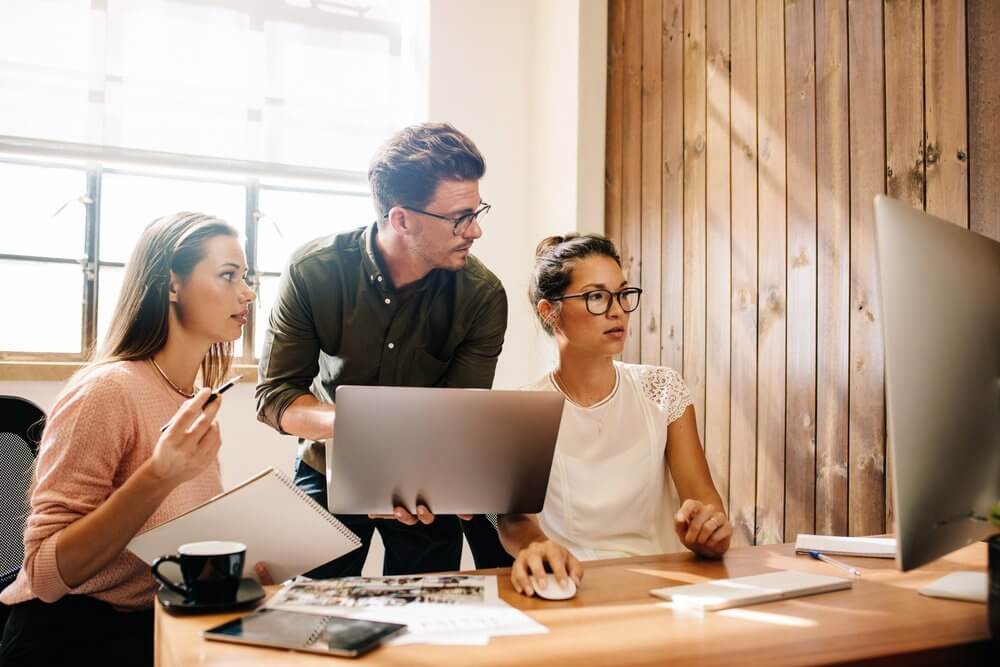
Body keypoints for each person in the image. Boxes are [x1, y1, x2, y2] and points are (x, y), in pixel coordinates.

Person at [0, 212, 257, 666]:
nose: (248, 291)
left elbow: (169, 540)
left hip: (155, 623)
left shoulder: (191, 395)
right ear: (172, 285)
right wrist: (157, 475)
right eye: (228, 275)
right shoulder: (107, 390)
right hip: (74, 639)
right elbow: (44, 574)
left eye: (246, 276)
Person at [255, 122, 512, 576]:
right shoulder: (313, 272)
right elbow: (275, 397)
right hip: (327, 467)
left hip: (427, 486)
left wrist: (404, 470)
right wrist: (363, 437)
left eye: (477, 211)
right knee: (311, 609)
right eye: (459, 217)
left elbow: (459, 413)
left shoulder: (482, 295)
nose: (476, 231)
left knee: (430, 619)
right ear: (401, 218)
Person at [497, 234, 733, 597]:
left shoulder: (662, 389)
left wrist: (709, 531)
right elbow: (514, 520)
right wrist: (536, 548)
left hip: (664, 588)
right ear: (550, 312)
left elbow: (705, 501)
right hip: (568, 588)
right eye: (596, 296)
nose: (617, 310)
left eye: (622, 294)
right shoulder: (523, 410)